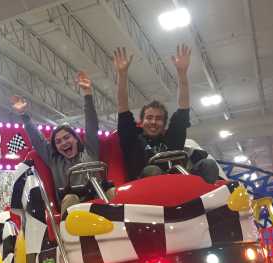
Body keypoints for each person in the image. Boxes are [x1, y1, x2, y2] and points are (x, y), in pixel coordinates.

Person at [11, 71, 115, 214]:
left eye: (67, 138)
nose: (63, 143)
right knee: (71, 199)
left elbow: (91, 124)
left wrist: (87, 94)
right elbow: (38, 140)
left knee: (113, 192)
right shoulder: (55, 160)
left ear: (75, 139)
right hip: (73, 206)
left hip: (97, 200)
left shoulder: (90, 151)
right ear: (55, 147)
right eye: (58, 141)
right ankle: (70, 235)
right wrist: (24, 115)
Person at [114, 44, 219, 184]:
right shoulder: (133, 139)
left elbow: (183, 107)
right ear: (142, 121)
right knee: (153, 171)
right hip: (143, 190)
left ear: (164, 124)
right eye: (149, 118)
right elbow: (122, 106)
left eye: (158, 119)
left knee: (209, 165)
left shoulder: (172, 138)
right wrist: (122, 75)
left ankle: (208, 202)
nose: (153, 122)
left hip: (177, 187)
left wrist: (182, 74)